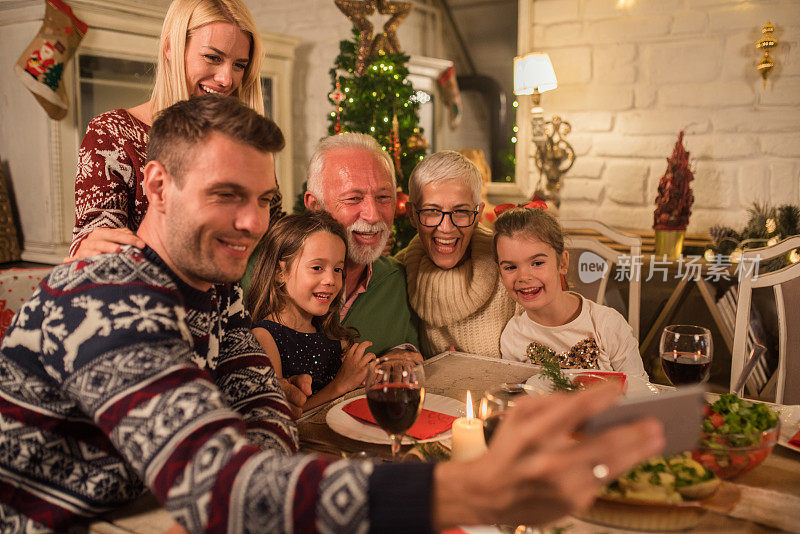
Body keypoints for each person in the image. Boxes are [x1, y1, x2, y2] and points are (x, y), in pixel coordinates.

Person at [0, 96, 665, 533]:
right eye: (225, 195)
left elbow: (263, 415)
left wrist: (241, 474)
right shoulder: (106, 294)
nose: (250, 223)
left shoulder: (218, 294)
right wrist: (468, 491)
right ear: (155, 186)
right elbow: (222, 485)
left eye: (262, 200)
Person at [69, 0, 283, 260]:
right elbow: (98, 244)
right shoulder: (113, 134)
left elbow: (275, 234)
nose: (227, 79)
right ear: (171, 47)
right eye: (212, 58)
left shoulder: (244, 142)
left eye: (239, 65)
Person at [304, 133, 420, 358]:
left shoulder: (397, 281)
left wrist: (403, 354)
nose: (373, 215)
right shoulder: (266, 272)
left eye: (384, 197)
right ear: (315, 205)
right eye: (353, 199)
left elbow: (412, 349)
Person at [246, 211, 376, 411]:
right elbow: (280, 416)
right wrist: (340, 385)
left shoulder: (330, 334)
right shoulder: (264, 338)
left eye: (337, 269)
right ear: (280, 272)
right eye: (317, 267)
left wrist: (363, 373)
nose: (331, 280)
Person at [495, 207, 648, 377]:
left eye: (537, 263)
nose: (523, 277)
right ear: (500, 275)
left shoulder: (607, 325)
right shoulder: (513, 336)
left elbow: (640, 390)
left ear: (562, 263)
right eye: (510, 267)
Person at [395, 151, 516, 357]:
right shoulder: (399, 272)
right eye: (431, 211)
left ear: (478, 213)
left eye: (460, 212)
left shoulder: (510, 265)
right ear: (412, 215)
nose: (446, 227)